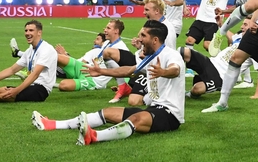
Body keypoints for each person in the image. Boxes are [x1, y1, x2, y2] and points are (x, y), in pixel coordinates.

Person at [31, 20, 185, 145]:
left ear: (155, 39)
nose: (139, 40)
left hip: (170, 114)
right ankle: (52, 124)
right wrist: (100, 71)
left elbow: (175, 70)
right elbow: (127, 71)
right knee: (108, 112)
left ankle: (95, 136)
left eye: (143, 36)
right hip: (154, 108)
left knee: (137, 119)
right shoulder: (150, 57)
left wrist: (163, 72)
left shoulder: (171, 55)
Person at [53, 20, 130, 92]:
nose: (105, 30)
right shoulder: (106, 42)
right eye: (106, 27)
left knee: (63, 85)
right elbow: (100, 59)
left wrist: (122, 86)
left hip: (94, 79)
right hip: (86, 68)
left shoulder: (122, 48)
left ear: (116, 31)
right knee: (57, 57)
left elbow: (128, 70)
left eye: (108, 28)